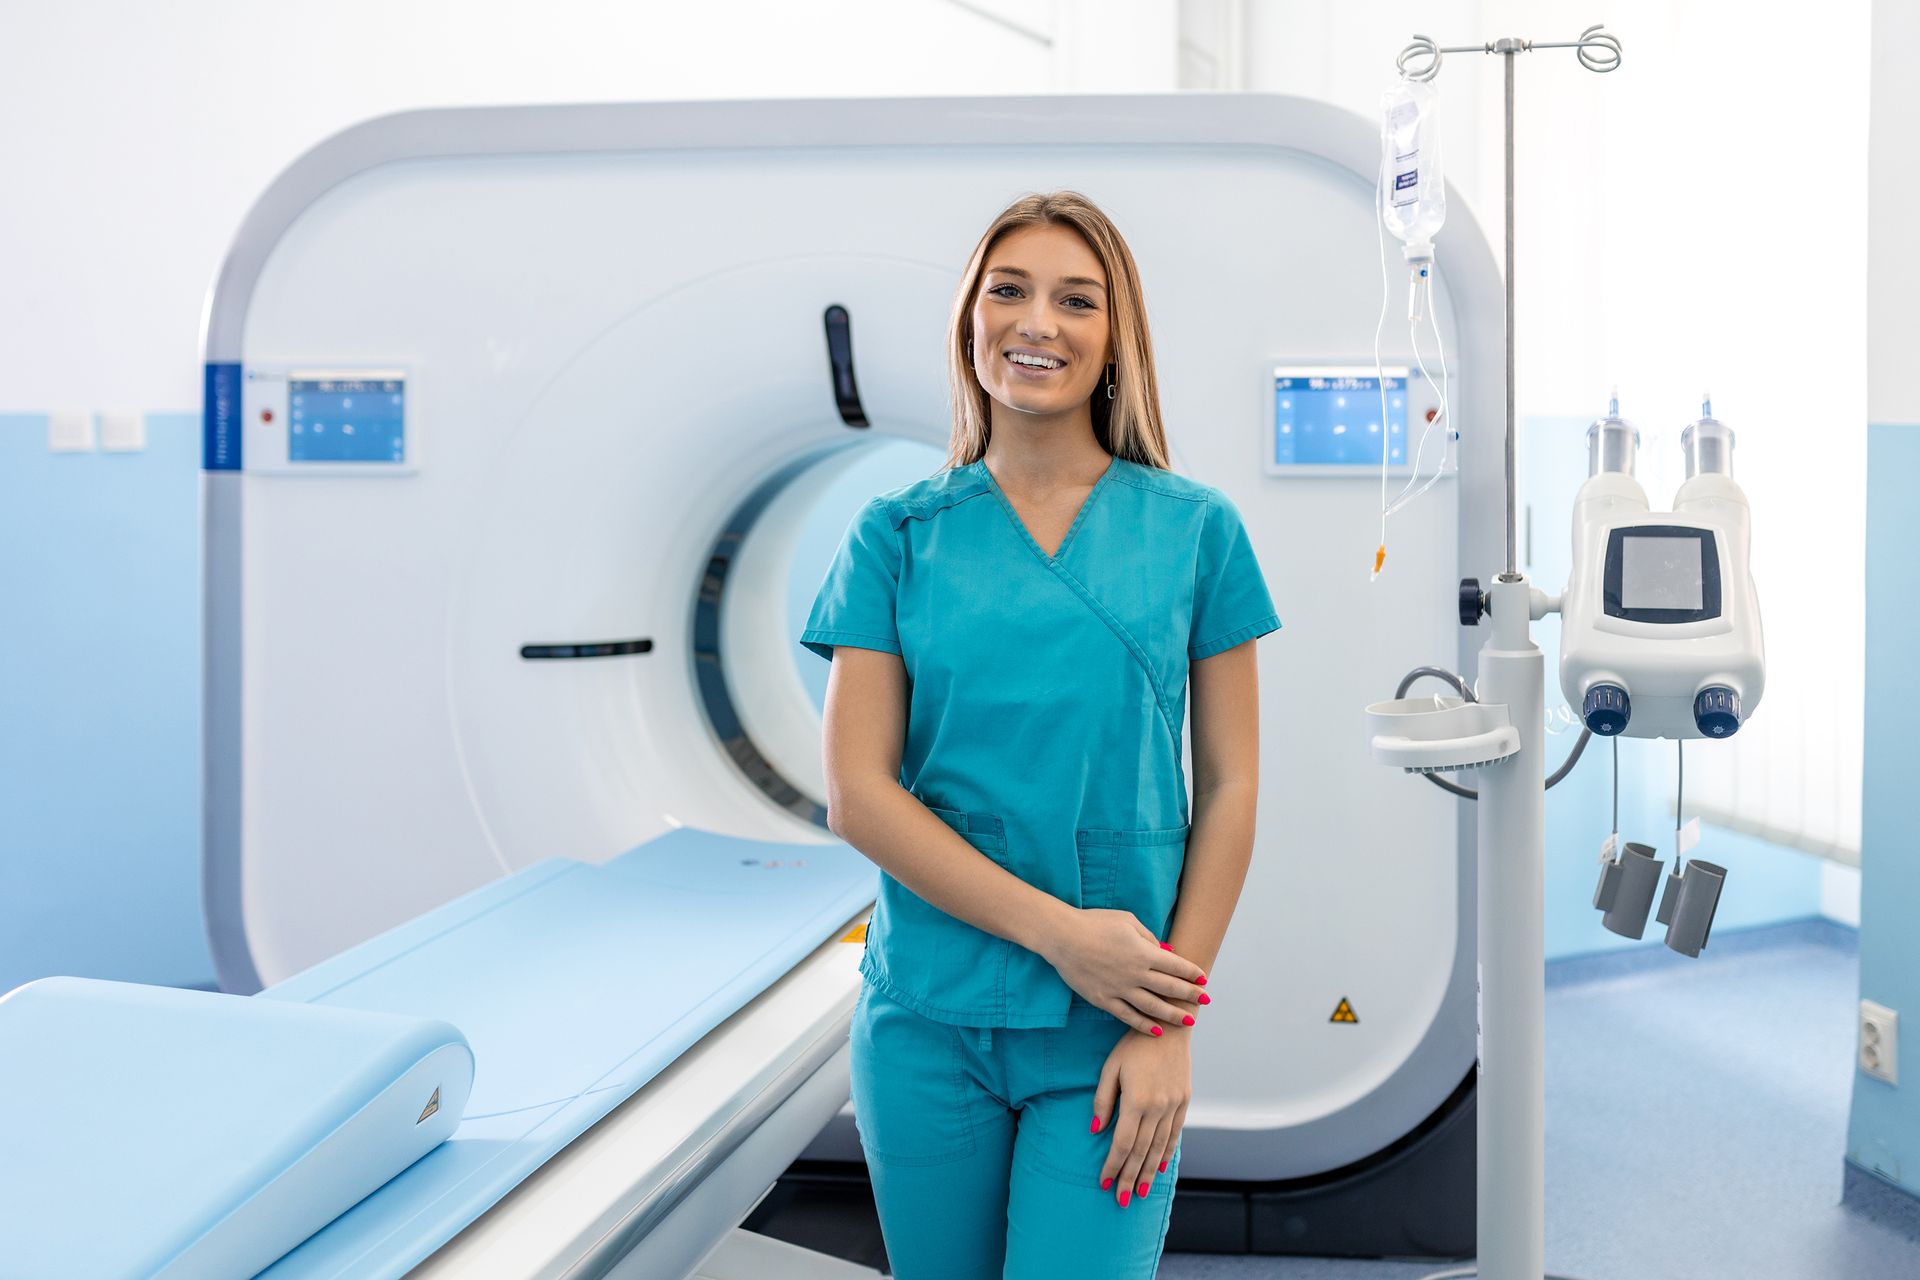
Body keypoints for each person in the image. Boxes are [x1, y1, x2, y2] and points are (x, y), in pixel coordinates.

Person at [799, 190, 1279, 1278]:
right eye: (1007, 290)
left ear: (1116, 339)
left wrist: (1170, 1019)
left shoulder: (1196, 530)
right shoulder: (894, 536)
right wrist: (1061, 933)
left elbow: (1233, 785)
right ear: (970, 320)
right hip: (928, 1016)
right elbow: (858, 795)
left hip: (1115, 1024)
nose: (1037, 322)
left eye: (1076, 299)